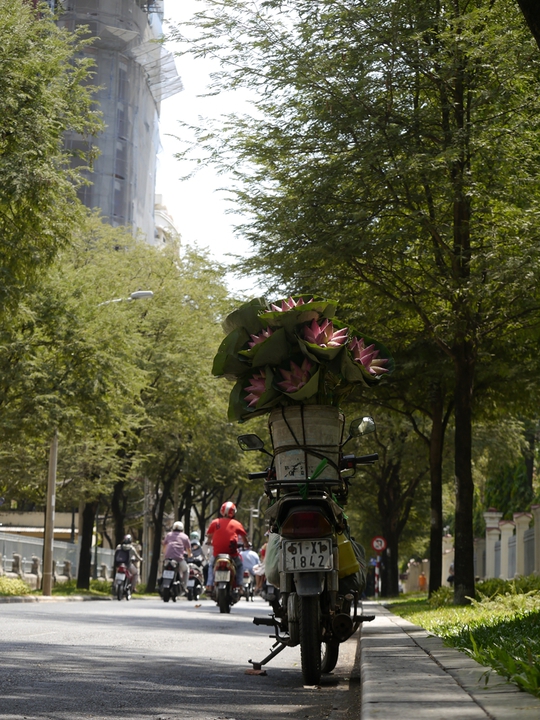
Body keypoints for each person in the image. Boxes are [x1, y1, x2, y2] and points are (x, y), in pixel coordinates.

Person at [205, 502, 249, 590]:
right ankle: (240, 586)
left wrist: (209, 541)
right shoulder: (237, 524)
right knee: (240, 566)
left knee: (210, 565)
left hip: (217, 554)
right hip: (232, 554)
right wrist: (246, 545)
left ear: (222, 511)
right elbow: (244, 537)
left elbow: (209, 536)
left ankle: (209, 585)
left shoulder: (215, 522)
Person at [162, 521, 192, 590]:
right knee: (186, 570)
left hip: (168, 558)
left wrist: (164, 553)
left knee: (164, 568)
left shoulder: (169, 535)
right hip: (178, 559)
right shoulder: (185, 537)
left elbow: (164, 545)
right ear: (182, 529)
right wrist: (190, 555)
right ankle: (184, 587)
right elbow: (189, 549)